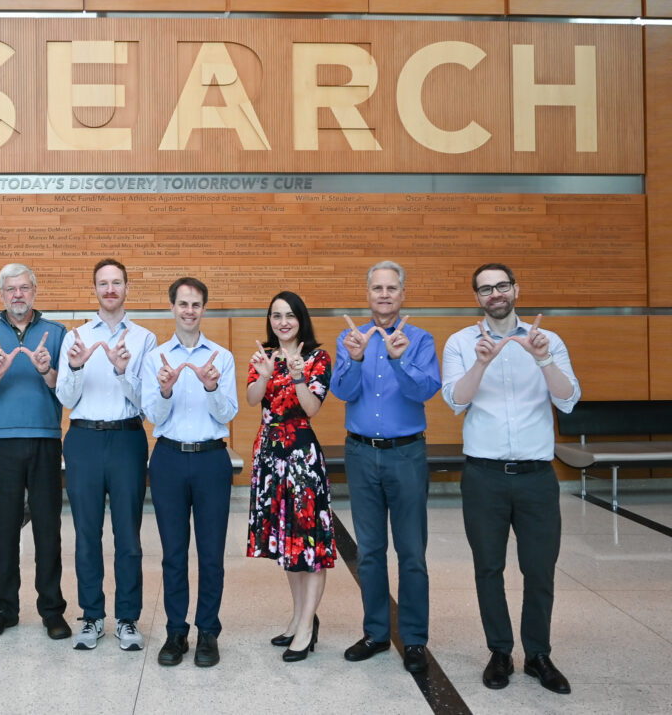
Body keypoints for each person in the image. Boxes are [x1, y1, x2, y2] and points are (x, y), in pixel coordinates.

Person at [442, 263, 579, 695]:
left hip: (537, 477)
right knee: (488, 567)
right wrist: (481, 364)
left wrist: (543, 359)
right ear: (477, 298)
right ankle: (500, 651)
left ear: (516, 289)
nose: (495, 294)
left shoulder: (548, 340)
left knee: (539, 569)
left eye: (501, 285)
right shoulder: (461, 342)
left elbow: (569, 399)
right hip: (483, 476)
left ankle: (538, 654)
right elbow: (455, 401)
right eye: (486, 289)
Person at [330, 260, 441, 674]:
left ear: (402, 294)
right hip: (361, 454)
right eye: (377, 288)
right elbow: (342, 391)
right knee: (370, 552)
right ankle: (376, 633)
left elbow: (424, 390)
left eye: (391, 288)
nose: (384, 294)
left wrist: (398, 359)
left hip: (406, 454)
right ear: (368, 294)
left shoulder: (420, 339)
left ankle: (414, 639)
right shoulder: (350, 338)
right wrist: (356, 358)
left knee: (411, 552)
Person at [56, 259, 157, 652]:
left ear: (127, 288)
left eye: (117, 283)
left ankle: (127, 617)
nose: (110, 289)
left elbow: (148, 402)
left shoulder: (145, 339)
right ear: (95, 289)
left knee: (128, 535)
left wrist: (121, 371)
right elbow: (66, 398)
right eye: (103, 283)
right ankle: (92, 615)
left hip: (127, 439)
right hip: (83, 439)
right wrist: (75, 367)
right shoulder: (76, 337)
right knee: (86, 534)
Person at [0, 263, 71, 641]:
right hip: (3, 442)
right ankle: (4, 609)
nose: (17, 295)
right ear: (1, 295)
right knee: (5, 528)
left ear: (35, 291)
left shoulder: (57, 333)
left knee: (48, 528)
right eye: (10, 289)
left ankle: (52, 610)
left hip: (45, 439)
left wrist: (46, 370)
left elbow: (68, 391)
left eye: (24, 288)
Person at [141, 277, 238, 667]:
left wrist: (212, 387)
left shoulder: (221, 357)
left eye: (196, 304)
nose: (189, 311)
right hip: (168, 459)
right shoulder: (156, 358)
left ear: (204, 309)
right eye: (183, 304)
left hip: (211, 460)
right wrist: (165, 390)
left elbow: (228, 413)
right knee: (173, 554)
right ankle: (176, 631)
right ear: (172, 307)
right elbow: (152, 415)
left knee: (211, 554)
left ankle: (208, 631)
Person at [246, 291, 335, 663]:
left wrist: (298, 377)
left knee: (308, 545)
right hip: (270, 456)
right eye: (276, 315)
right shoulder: (263, 356)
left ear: (301, 318)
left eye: (289, 315)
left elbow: (311, 408)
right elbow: (253, 399)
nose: (282, 322)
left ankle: (307, 625)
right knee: (288, 543)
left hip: (301, 457)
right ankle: (299, 618)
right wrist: (265, 376)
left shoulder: (317, 358)